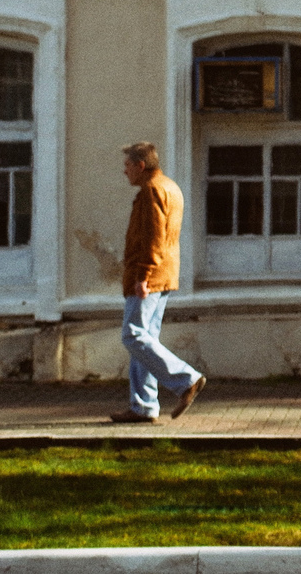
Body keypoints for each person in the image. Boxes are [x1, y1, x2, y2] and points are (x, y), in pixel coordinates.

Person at [110, 141, 206, 424]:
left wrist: (142, 276)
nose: (124, 170)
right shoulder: (169, 187)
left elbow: (152, 238)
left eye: (127, 165)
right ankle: (142, 406)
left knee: (133, 335)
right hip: (163, 273)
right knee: (145, 339)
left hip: (148, 276)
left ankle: (186, 379)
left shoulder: (152, 191)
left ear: (141, 166)